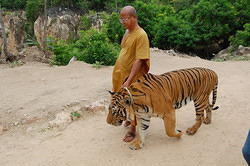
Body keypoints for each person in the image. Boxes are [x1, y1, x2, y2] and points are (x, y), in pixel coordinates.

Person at [112, 6, 150, 142]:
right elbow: (124, 51)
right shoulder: (127, 32)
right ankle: (128, 119)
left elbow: (140, 59)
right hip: (120, 74)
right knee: (122, 101)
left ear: (134, 18)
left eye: (125, 19)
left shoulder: (141, 35)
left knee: (132, 102)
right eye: (121, 19)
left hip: (132, 77)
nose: (122, 22)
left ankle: (133, 129)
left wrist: (129, 80)